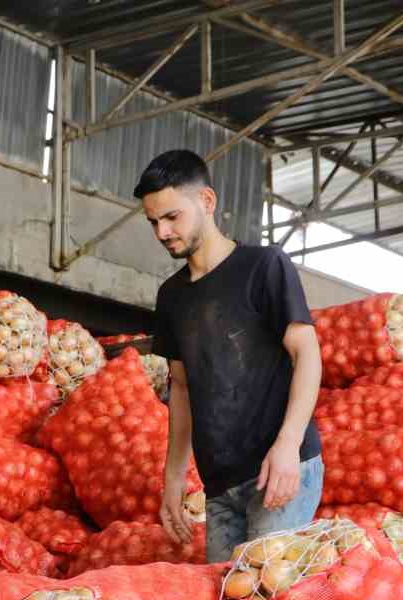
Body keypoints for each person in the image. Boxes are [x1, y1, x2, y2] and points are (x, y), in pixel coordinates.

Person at [135, 149, 325, 563]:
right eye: (153, 221)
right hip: (219, 486)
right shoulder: (171, 297)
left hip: (279, 468)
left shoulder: (264, 266)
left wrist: (289, 444)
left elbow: (307, 353)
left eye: (171, 217)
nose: (162, 232)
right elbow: (181, 388)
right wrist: (173, 480)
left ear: (206, 201)